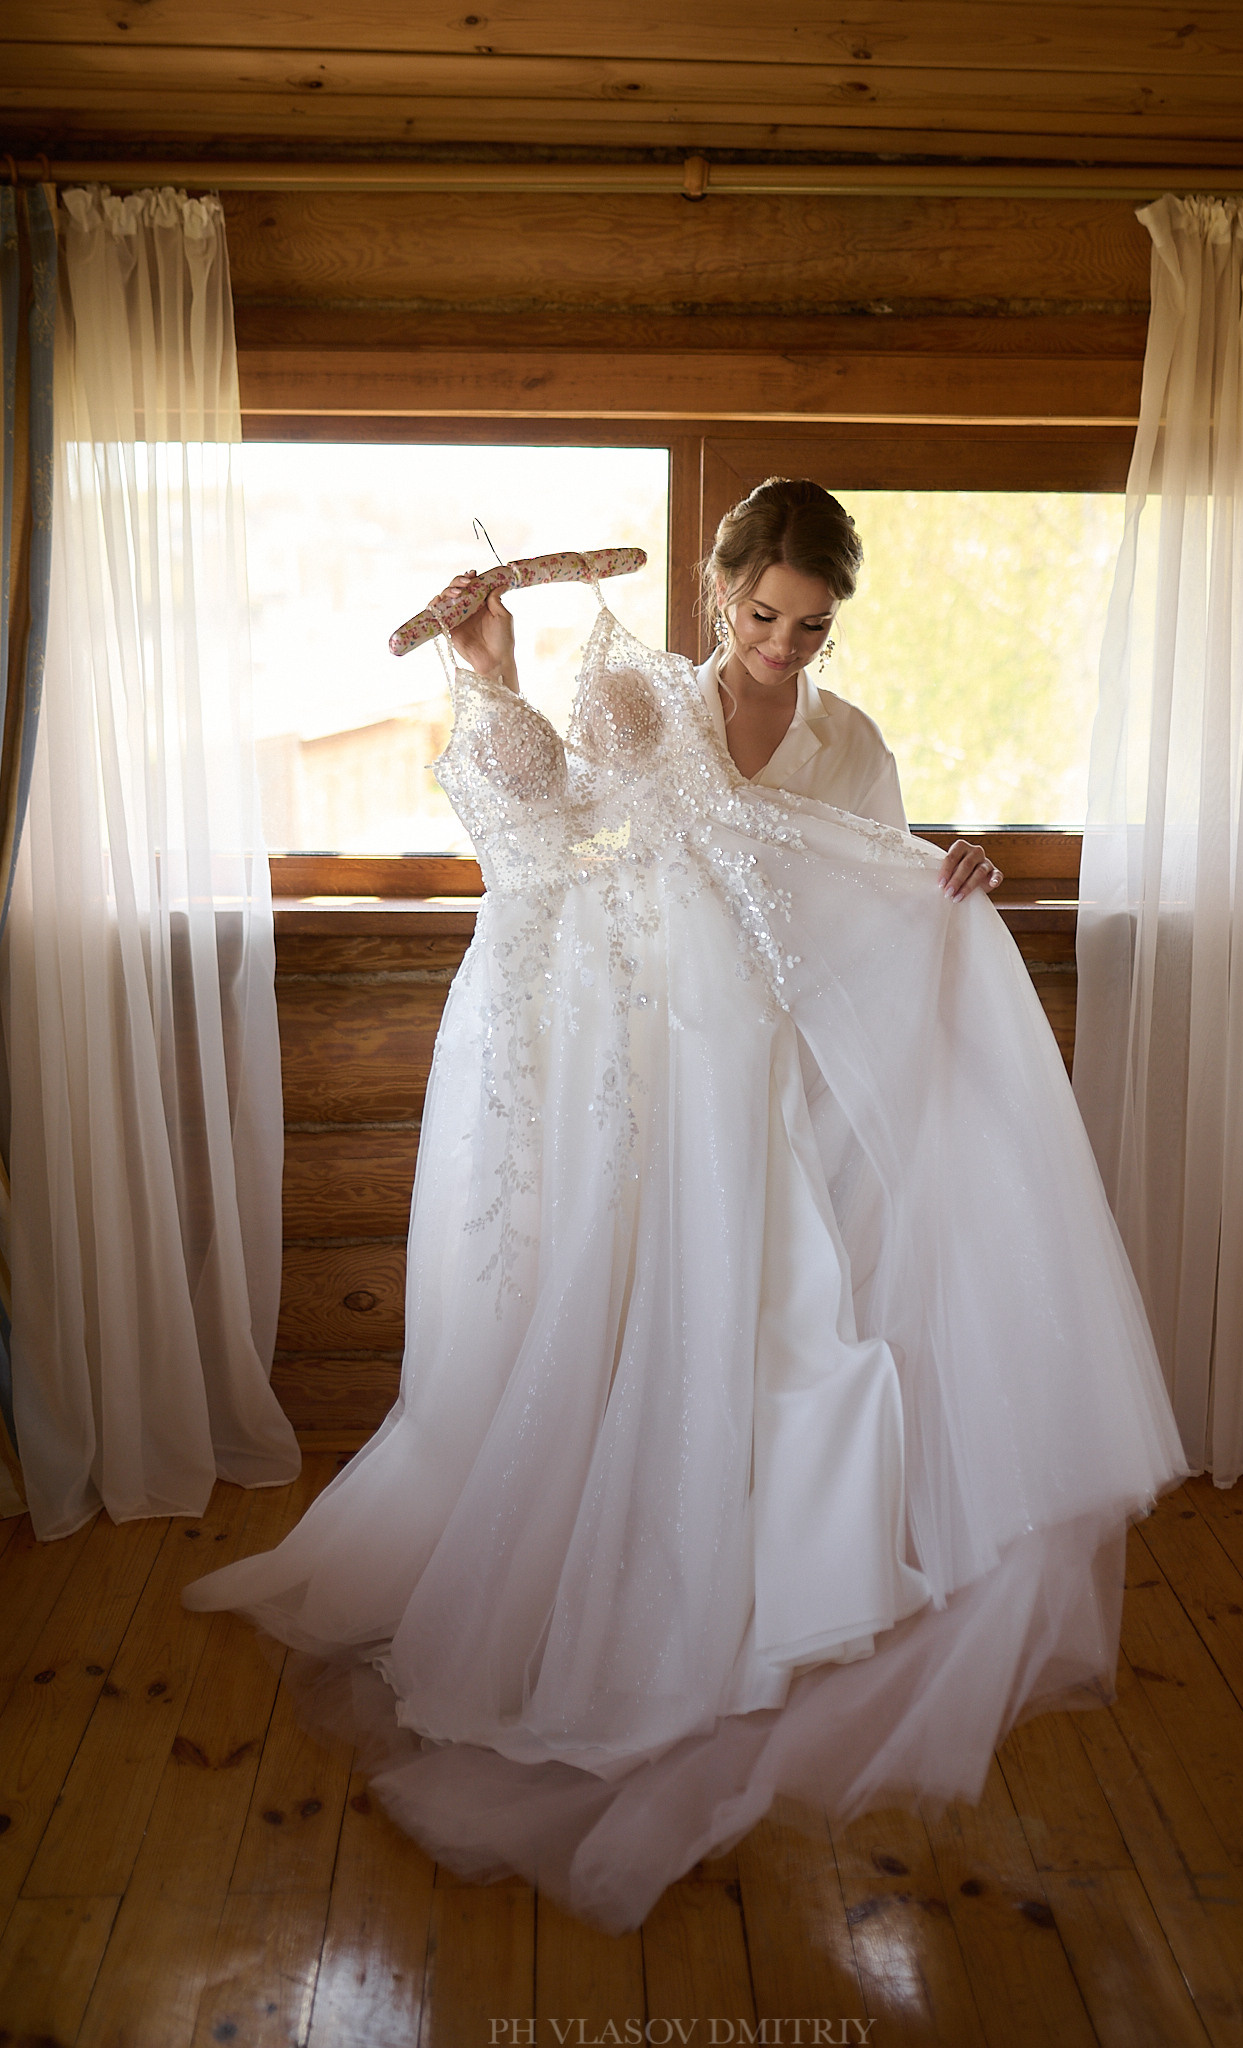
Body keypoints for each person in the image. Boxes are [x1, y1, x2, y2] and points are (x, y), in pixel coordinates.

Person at [184, 477, 1185, 1933]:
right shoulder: (643, 703)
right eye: (765, 614)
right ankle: (619, 1583)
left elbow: (873, 895)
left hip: (779, 1084)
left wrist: (948, 873)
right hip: (659, 1076)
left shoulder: (852, 742)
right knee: (635, 1323)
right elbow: (539, 843)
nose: (783, 645)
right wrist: (494, 675)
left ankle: (766, 1587)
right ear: (720, 592)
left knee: (792, 1334)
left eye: (811, 627)